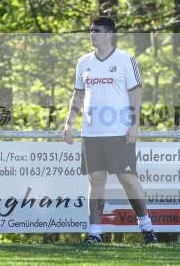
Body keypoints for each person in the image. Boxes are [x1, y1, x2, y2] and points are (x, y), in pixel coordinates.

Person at [63, 16, 157, 245]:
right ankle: (95, 232)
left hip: (119, 132)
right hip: (91, 133)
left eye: (96, 30)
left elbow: (136, 93)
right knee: (96, 181)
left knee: (128, 179)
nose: (91, 34)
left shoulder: (126, 60)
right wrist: (69, 122)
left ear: (109, 34)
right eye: (90, 30)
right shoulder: (83, 62)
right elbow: (78, 94)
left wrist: (134, 125)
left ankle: (146, 226)